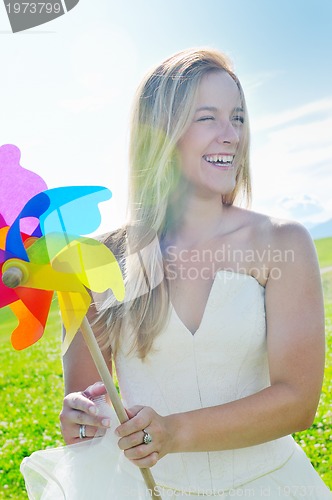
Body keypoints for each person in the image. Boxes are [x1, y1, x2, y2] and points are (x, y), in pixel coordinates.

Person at [22, 48, 331, 499]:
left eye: (239, 118)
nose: (231, 136)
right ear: (161, 133)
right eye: (208, 118)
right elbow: (88, 407)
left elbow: (298, 401)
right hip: (143, 489)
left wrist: (174, 432)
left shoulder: (283, 243)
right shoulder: (96, 261)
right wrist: (80, 418)